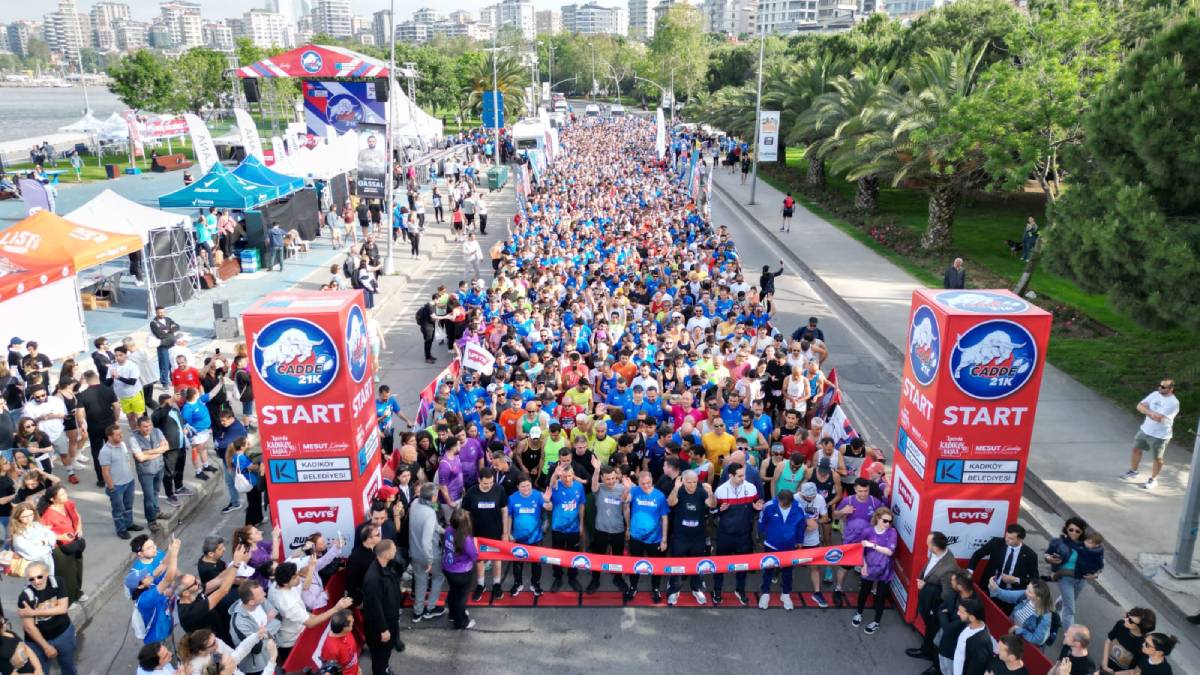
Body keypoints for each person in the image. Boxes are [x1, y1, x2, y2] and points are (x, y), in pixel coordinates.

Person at [267, 563, 353, 666]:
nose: (299, 577)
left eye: (297, 574)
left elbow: (304, 587)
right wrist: (336, 608)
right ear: (285, 583)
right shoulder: (288, 603)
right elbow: (310, 623)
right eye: (295, 577)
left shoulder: (278, 585)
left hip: (295, 632)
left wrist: (311, 567)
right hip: (291, 642)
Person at [664, 469, 715, 605]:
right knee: (677, 563)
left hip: (698, 536)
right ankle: (674, 590)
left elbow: (712, 504)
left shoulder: (701, 492)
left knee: (697, 563)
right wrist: (676, 488)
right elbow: (670, 503)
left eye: (694, 482)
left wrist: (711, 493)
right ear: (683, 481)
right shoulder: (679, 491)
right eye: (689, 482)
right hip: (680, 536)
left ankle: (697, 588)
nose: (692, 485)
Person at [17, 561, 77, 675]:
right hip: (38, 641)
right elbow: (29, 627)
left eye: (39, 577)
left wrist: (34, 612)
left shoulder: (58, 582)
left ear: (47, 573)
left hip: (63, 633)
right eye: (32, 579)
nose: (36, 582)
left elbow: (63, 608)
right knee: (40, 671)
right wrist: (46, 647)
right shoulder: (25, 596)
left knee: (68, 665)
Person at [713, 463, 761, 606]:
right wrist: (719, 510)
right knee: (720, 565)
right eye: (739, 476)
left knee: (742, 566)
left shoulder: (751, 488)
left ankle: (740, 590)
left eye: (743, 475)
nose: (743, 478)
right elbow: (712, 511)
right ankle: (717, 591)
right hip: (725, 535)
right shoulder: (720, 490)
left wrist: (757, 508)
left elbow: (755, 507)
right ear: (730, 476)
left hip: (743, 535)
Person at [906, 531, 959, 661]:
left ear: (935, 547)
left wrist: (926, 587)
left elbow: (946, 595)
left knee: (932, 628)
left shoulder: (949, 568)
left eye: (928, 543)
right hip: (926, 598)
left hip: (935, 605)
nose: (926, 544)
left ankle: (927, 651)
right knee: (929, 626)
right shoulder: (936, 552)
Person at [1044, 517, 1104, 629]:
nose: (1073, 533)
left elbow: (1098, 563)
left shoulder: (1087, 544)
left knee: (1069, 600)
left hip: (1080, 580)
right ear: (1066, 528)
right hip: (1064, 578)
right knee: (1070, 610)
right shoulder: (1058, 542)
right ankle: (1069, 635)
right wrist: (1049, 558)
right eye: (1071, 529)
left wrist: (1095, 575)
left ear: (1082, 532)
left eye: (1077, 531)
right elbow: (1047, 554)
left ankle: (1055, 608)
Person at [968, 523, 1039, 613]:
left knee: (1005, 617)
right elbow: (977, 554)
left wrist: (1016, 580)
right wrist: (969, 572)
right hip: (990, 588)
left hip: (1011, 594)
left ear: (1020, 540)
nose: (1006, 540)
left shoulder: (1030, 555)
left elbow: (1035, 579)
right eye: (1006, 536)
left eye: (1011, 538)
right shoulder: (996, 543)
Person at [1123, 378, 1179, 489]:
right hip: (1145, 429)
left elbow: (1158, 418)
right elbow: (1139, 406)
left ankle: (1153, 479)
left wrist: (1146, 410)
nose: (1160, 388)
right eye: (1159, 385)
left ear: (1171, 389)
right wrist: (1150, 412)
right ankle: (1133, 471)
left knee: (1157, 458)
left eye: (1163, 387)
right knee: (1136, 449)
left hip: (1160, 435)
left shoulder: (1173, 403)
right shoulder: (1155, 394)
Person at [756, 487, 806, 611]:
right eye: (781, 504)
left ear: (791, 502)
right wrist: (763, 538)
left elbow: (801, 525)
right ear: (778, 499)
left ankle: (786, 594)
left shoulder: (799, 508)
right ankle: (765, 593)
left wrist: (799, 541)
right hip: (771, 545)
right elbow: (762, 522)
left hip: (790, 546)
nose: (783, 506)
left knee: (788, 571)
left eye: (786, 505)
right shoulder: (769, 506)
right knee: (768, 570)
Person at [462, 468, 506, 602]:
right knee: (479, 560)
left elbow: (504, 511)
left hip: (495, 533)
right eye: (486, 483)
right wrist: (467, 533)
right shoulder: (471, 492)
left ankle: (497, 584)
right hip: (477, 534)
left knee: (496, 560)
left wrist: (505, 532)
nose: (489, 486)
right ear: (479, 480)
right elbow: (465, 514)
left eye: (491, 482)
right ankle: (481, 585)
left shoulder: (499, 490)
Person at [851, 506, 897, 635]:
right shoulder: (867, 531)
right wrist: (864, 565)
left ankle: (876, 622)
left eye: (890, 521)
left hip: (885, 569)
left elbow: (890, 552)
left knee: (880, 596)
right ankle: (859, 613)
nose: (888, 524)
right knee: (864, 592)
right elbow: (862, 551)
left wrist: (873, 545)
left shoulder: (892, 532)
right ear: (877, 518)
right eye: (885, 521)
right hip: (870, 567)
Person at [362, 540, 404, 675]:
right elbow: (375, 607)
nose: (396, 551)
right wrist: (383, 629)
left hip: (390, 617)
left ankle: (385, 669)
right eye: (393, 549)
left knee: (386, 652)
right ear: (385, 554)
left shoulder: (387, 565)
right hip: (380, 625)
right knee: (380, 654)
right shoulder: (373, 578)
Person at [36, 485, 84, 603]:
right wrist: (60, 537)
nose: (65, 496)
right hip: (60, 549)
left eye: (65, 493)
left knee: (78, 570)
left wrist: (79, 528)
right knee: (68, 576)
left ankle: (77, 593)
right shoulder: (48, 515)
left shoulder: (68, 504)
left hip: (75, 543)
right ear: (52, 499)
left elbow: (77, 516)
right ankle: (68, 601)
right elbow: (42, 535)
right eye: (61, 495)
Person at [544, 463, 586, 593]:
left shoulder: (579, 487)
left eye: (569, 476)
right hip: (558, 528)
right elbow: (551, 484)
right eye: (564, 476)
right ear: (560, 476)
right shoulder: (556, 485)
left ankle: (572, 577)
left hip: (573, 529)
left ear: (573, 475)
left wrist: (581, 524)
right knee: (557, 555)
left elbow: (581, 505)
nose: (567, 479)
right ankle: (558, 577)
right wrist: (555, 474)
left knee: (573, 554)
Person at [408, 482, 447, 621]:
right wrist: (430, 560)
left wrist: (444, 531)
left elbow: (433, 526)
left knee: (420, 581)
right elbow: (426, 542)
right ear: (433, 497)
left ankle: (417, 612)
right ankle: (430, 608)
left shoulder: (414, 504)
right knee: (438, 578)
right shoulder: (430, 513)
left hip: (414, 553)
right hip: (430, 554)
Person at [504, 474, 545, 597]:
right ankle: (518, 583)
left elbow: (549, 507)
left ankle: (535, 583)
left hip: (536, 537)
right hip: (518, 537)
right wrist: (508, 533)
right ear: (518, 487)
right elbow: (509, 516)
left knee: (536, 563)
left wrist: (547, 500)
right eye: (523, 486)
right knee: (517, 563)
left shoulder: (538, 495)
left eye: (528, 485)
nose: (526, 488)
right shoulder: (512, 498)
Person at [98, 424, 142, 539]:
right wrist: (111, 487)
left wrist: (130, 475)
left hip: (129, 482)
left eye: (121, 433)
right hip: (117, 486)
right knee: (118, 510)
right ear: (109, 437)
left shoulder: (122, 444)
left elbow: (127, 460)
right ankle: (121, 529)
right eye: (118, 434)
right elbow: (105, 472)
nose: (121, 436)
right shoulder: (105, 451)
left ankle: (129, 524)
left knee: (128, 506)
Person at [76, 370, 119, 488]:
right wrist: (115, 419)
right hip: (109, 425)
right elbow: (116, 406)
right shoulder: (108, 390)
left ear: (86, 380)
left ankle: (101, 479)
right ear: (97, 377)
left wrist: (82, 426)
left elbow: (79, 413)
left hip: (94, 427)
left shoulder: (82, 394)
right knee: (114, 449)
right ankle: (115, 476)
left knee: (97, 453)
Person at [988, 578, 1054, 647]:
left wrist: (1020, 630)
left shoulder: (1045, 617)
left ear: (1037, 598)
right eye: (1027, 588)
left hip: (1021, 645)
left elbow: (1038, 639)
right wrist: (995, 588)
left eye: (1029, 591)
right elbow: (1008, 595)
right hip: (1010, 633)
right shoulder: (1026, 596)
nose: (1025, 591)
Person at [442, 508, 479, 630]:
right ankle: (461, 622)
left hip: (448, 568)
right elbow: (474, 555)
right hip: (462, 572)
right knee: (461, 598)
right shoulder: (466, 539)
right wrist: (475, 544)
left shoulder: (448, 530)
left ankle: (452, 614)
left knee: (453, 592)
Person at [131, 415, 170, 529]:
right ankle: (151, 521)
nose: (148, 428)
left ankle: (156, 511)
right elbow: (140, 458)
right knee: (149, 497)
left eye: (149, 425)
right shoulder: (133, 439)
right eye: (145, 426)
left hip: (159, 468)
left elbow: (166, 447)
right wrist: (159, 451)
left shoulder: (157, 431)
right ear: (138, 427)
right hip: (146, 472)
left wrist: (147, 452)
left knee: (156, 492)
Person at [1101, 607, 1155, 673]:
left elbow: (1136, 669)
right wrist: (1104, 665)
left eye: (1130, 621)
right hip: (1106, 665)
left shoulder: (1143, 645)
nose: (1125, 619)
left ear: (1140, 628)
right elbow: (1108, 640)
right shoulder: (1121, 624)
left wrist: (1114, 674)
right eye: (1127, 615)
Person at [948, 596, 992, 675]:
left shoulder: (980, 644)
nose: (958, 613)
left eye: (961, 612)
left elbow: (975, 669)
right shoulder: (969, 625)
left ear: (972, 618)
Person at [109, 347, 145, 428]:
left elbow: (132, 382)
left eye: (120, 355)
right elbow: (108, 382)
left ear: (126, 355)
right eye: (116, 355)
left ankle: (143, 433)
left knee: (139, 417)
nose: (118, 357)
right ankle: (134, 432)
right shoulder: (112, 367)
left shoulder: (132, 366)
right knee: (130, 417)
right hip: (123, 397)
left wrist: (118, 377)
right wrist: (111, 377)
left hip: (135, 394)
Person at [149, 307, 181, 389]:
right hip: (163, 346)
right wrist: (171, 331)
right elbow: (160, 335)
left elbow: (177, 326)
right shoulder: (153, 323)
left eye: (163, 312)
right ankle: (165, 383)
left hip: (172, 345)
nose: (162, 314)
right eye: (160, 312)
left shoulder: (168, 319)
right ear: (156, 313)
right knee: (164, 364)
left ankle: (172, 379)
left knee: (173, 362)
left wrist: (167, 330)